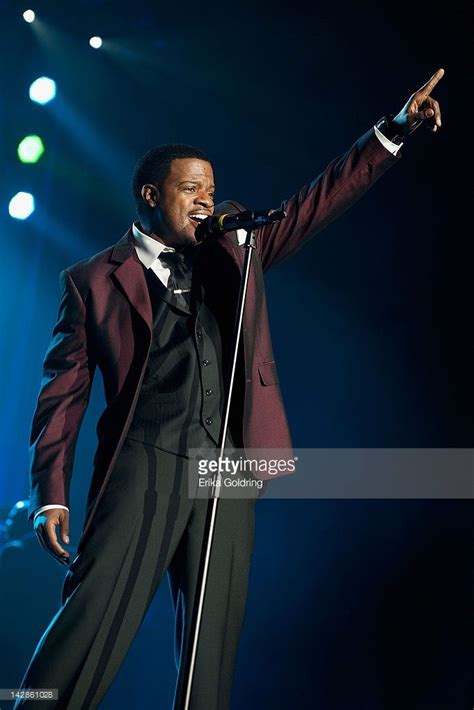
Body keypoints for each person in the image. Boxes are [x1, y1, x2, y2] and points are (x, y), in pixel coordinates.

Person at [14, 69, 444, 709]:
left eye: (210, 190)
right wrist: (51, 494)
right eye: (190, 189)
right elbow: (62, 397)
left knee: (213, 643)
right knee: (93, 614)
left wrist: (394, 132)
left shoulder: (236, 246)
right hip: (146, 460)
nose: (205, 200)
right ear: (150, 194)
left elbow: (316, 201)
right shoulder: (91, 281)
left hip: (229, 466)